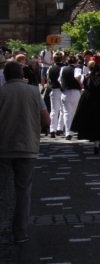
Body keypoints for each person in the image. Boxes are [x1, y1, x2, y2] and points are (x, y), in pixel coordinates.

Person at [0, 61, 50, 244]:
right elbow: (46, 120)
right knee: (23, 192)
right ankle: (20, 232)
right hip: (27, 146)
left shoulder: (1, 92)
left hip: (3, 147)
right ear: (22, 74)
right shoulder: (33, 91)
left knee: (2, 189)